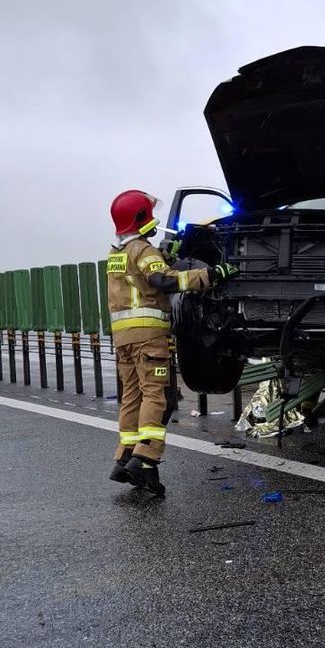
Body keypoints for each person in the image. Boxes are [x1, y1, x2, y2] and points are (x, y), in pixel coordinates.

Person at [107, 190, 236, 495]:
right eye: (148, 214)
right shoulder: (143, 250)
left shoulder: (116, 255)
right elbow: (163, 281)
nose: (155, 220)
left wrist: (166, 257)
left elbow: (141, 280)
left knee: (133, 398)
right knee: (157, 397)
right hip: (149, 338)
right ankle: (144, 457)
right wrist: (211, 274)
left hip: (124, 340)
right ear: (140, 218)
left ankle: (125, 459)